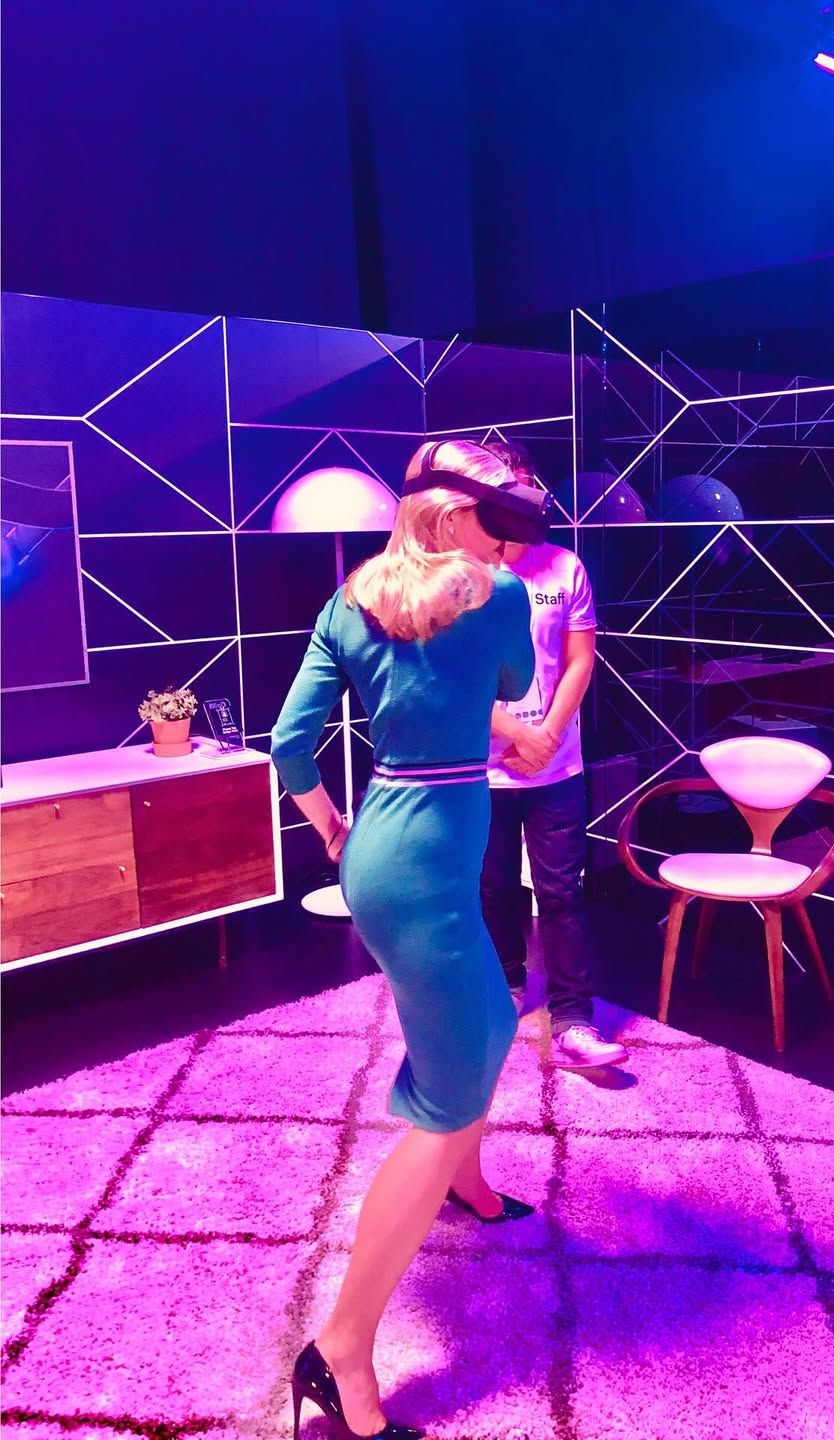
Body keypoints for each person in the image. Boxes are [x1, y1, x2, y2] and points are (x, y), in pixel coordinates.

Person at [271, 439, 548, 1440]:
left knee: (492, 1023)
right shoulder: (500, 596)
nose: (509, 539)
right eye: (498, 519)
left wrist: (331, 828)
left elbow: (290, 745)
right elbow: (513, 680)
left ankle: (468, 1185)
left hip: (383, 846)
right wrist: (501, 717)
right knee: (452, 1087)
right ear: (456, 515)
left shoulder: (348, 600)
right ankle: (340, 1348)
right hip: (430, 865)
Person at [480, 439, 628, 1069]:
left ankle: (573, 1021)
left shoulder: (563, 566)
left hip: (556, 765)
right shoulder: (457, 572)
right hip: (480, 765)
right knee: (491, 887)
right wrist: (515, 735)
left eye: (523, 487)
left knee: (562, 892)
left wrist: (544, 737)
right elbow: (448, 674)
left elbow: (580, 661)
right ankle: (506, 986)